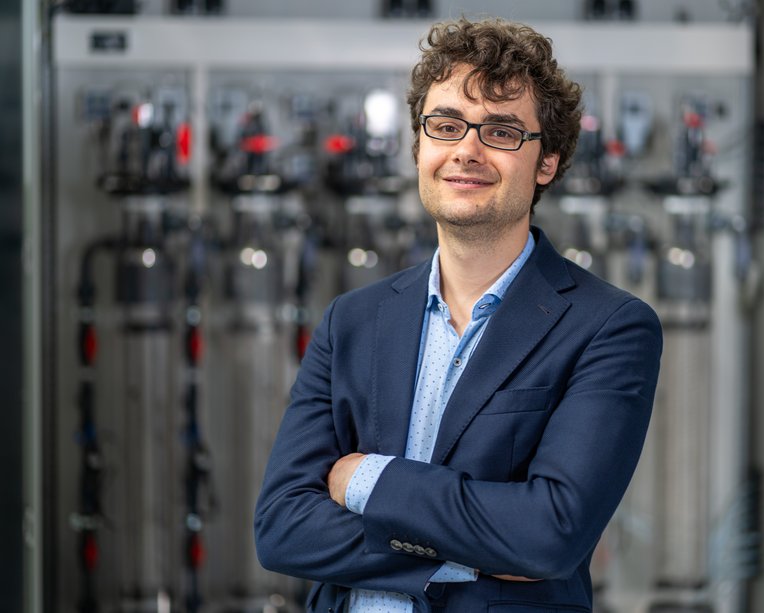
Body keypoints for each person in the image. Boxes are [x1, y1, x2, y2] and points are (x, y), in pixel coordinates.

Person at [255, 17, 662, 613]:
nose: (466, 150)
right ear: (420, 146)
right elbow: (283, 529)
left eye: (500, 131)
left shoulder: (609, 328)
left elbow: (548, 537)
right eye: (446, 126)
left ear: (546, 160)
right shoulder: (352, 321)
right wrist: (481, 550)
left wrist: (366, 480)